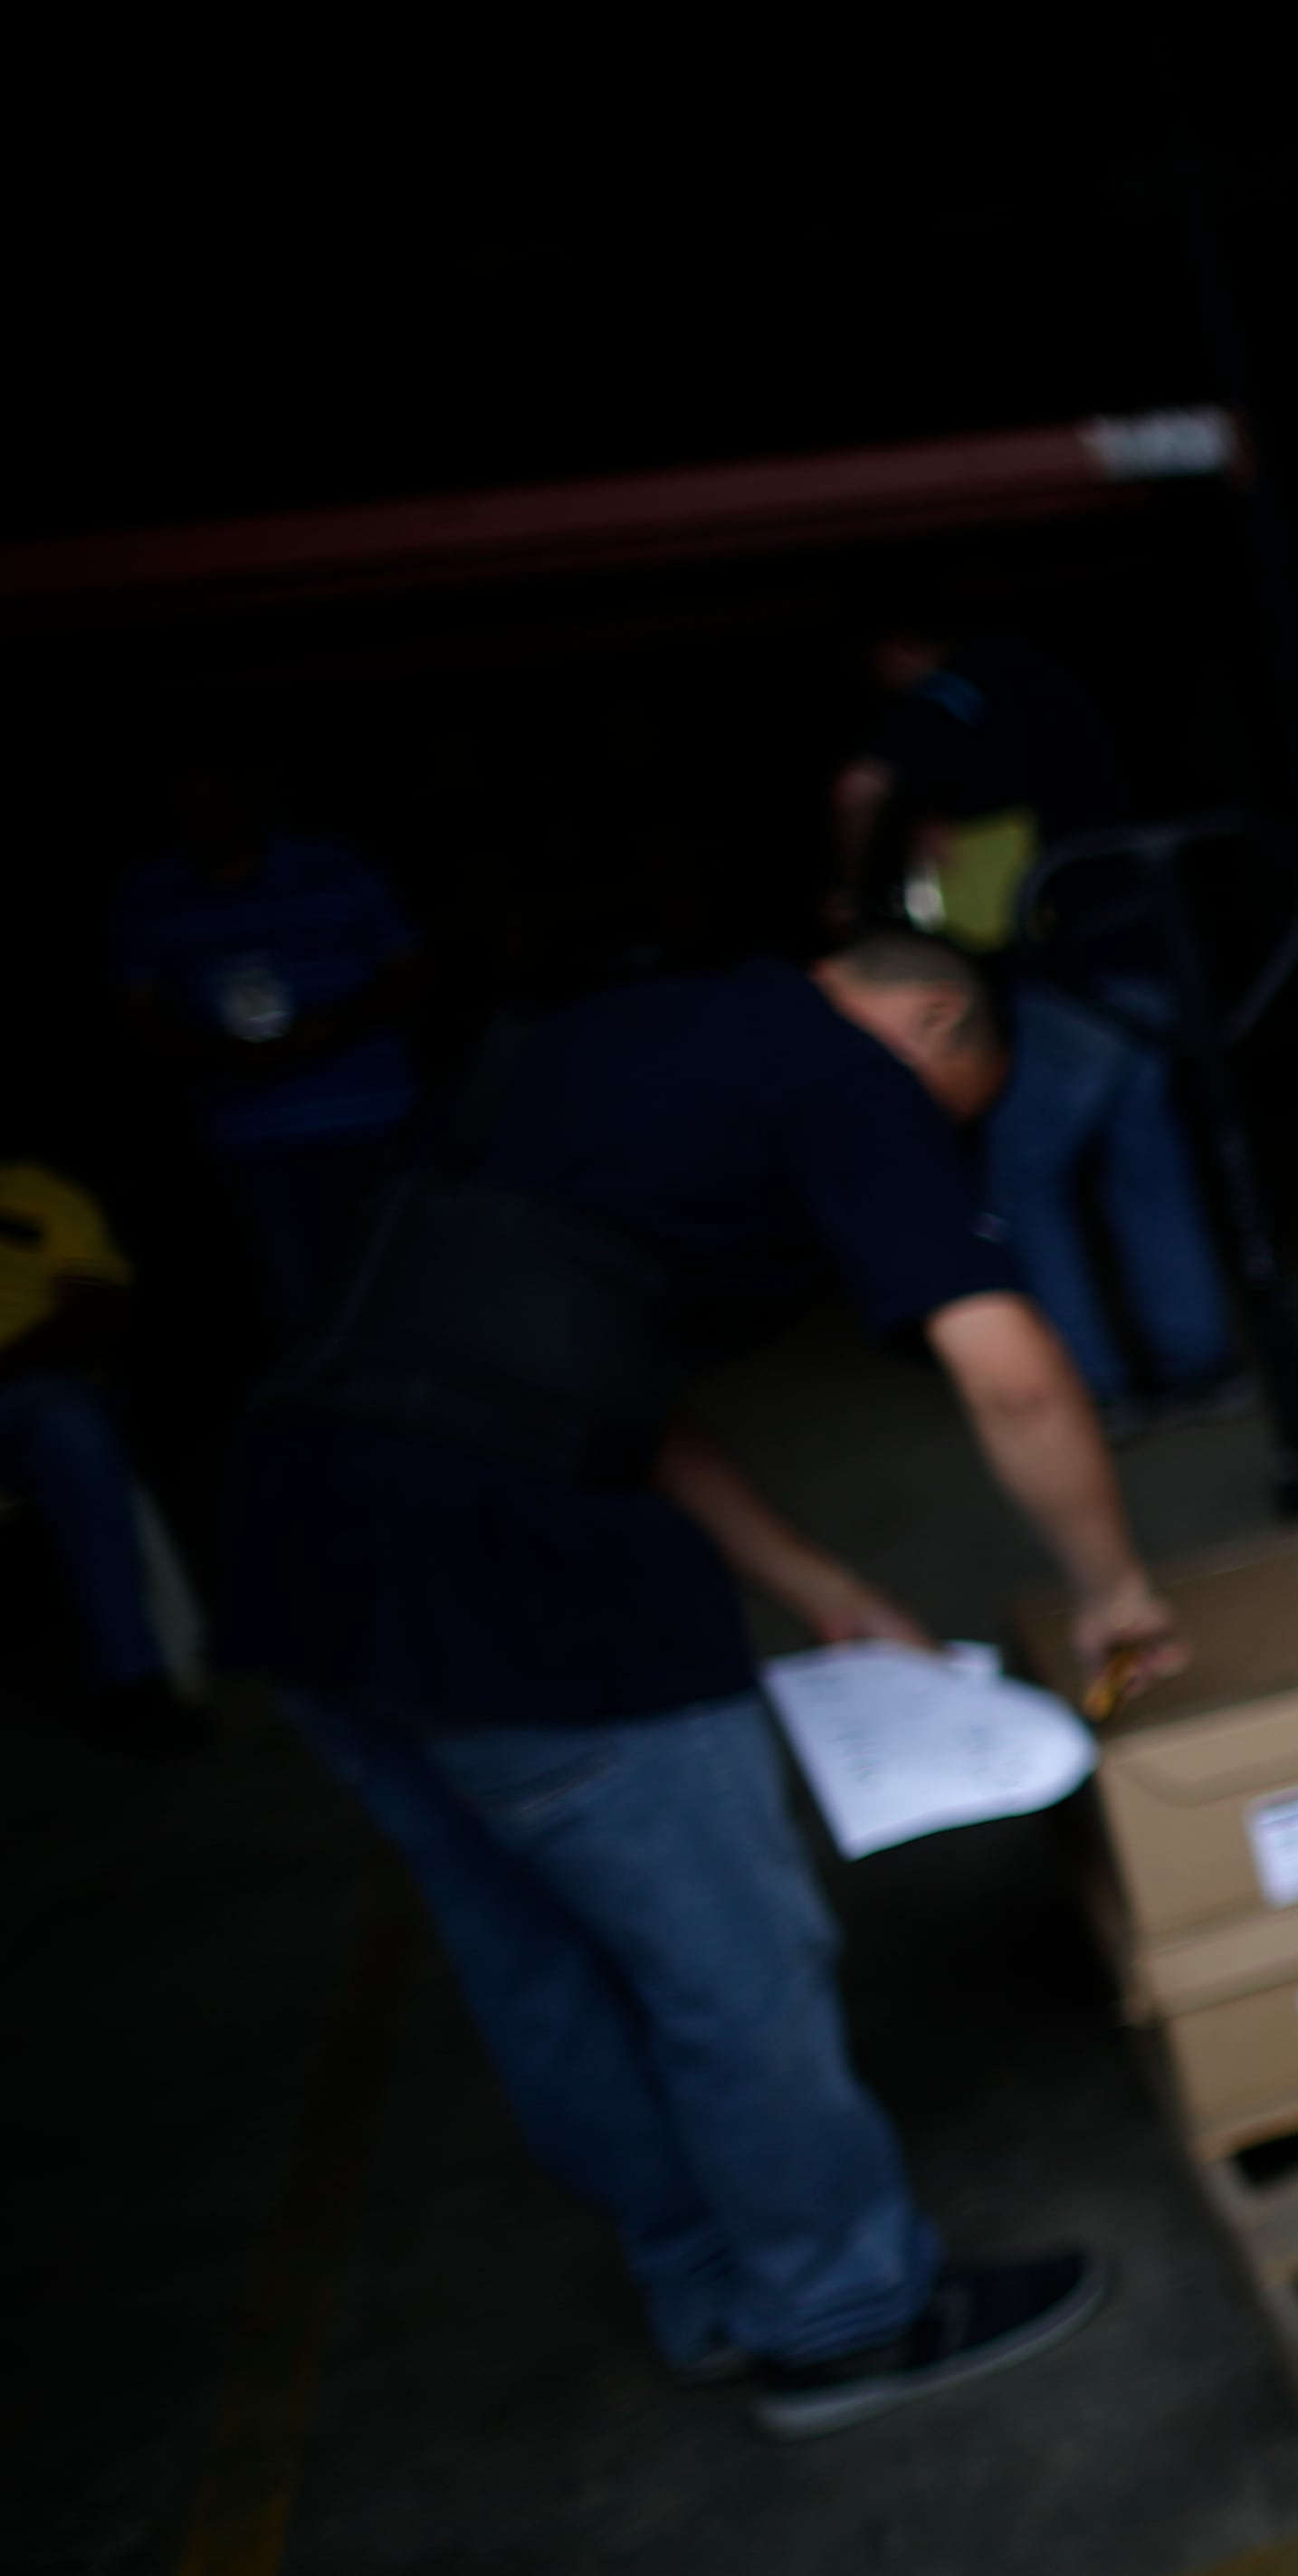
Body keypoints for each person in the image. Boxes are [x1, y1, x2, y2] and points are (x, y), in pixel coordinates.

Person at [222, 935, 1179, 2438]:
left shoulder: (605, 1030)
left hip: (296, 1547)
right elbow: (1012, 1370)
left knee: (539, 1958)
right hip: (519, 1577)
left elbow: (602, 1373)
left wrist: (825, 1590)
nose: (936, 1148)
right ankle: (845, 2312)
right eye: (959, 1113)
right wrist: (1116, 1587)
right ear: (933, 1024)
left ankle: (703, 2284)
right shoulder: (850, 1073)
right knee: (732, 1963)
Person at [835, 630, 1241, 1431]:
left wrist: (850, 894)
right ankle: (1202, 1366)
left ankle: (1093, 1386)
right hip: (1146, 943)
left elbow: (858, 787)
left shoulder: (946, 696)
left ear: (892, 650)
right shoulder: (1047, 678)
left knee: (1023, 1177)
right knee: (1147, 1162)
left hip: (1068, 966)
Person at [110, 762, 429, 1334]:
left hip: (368, 1112)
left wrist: (337, 1024)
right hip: (255, 1130)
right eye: (189, 808)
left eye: (218, 803)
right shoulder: (152, 894)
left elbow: (408, 968)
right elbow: (139, 1013)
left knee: (404, 1279)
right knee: (305, 1299)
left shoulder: (333, 868)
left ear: (252, 802)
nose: (207, 821)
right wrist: (218, 1052)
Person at [0, 1148, 203, 1752]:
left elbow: (97, 1302)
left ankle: (133, 1680)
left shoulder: (31, 1190)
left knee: (73, 1430)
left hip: (24, 1387)